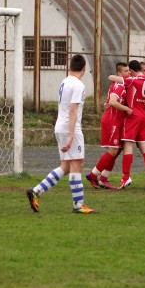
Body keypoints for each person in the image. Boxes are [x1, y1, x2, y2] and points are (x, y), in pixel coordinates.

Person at [26, 54, 97, 214]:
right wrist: (72, 135)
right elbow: (73, 110)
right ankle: (78, 205)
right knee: (77, 166)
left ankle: (36, 191)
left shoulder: (65, 81)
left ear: (70, 67)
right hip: (69, 127)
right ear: (84, 68)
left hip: (60, 125)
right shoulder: (78, 84)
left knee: (66, 166)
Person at [108, 59, 145, 190]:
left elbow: (111, 77)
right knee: (144, 146)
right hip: (144, 115)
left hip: (133, 115)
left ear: (131, 70)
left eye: (128, 71)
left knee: (128, 145)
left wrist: (121, 75)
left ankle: (125, 177)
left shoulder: (133, 80)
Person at [86, 62, 132, 190]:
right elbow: (112, 101)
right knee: (112, 150)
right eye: (126, 71)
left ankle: (104, 178)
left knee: (117, 150)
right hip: (111, 121)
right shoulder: (120, 86)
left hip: (116, 121)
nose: (129, 73)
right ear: (119, 73)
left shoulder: (123, 85)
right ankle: (93, 175)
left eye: (129, 71)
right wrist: (127, 109)